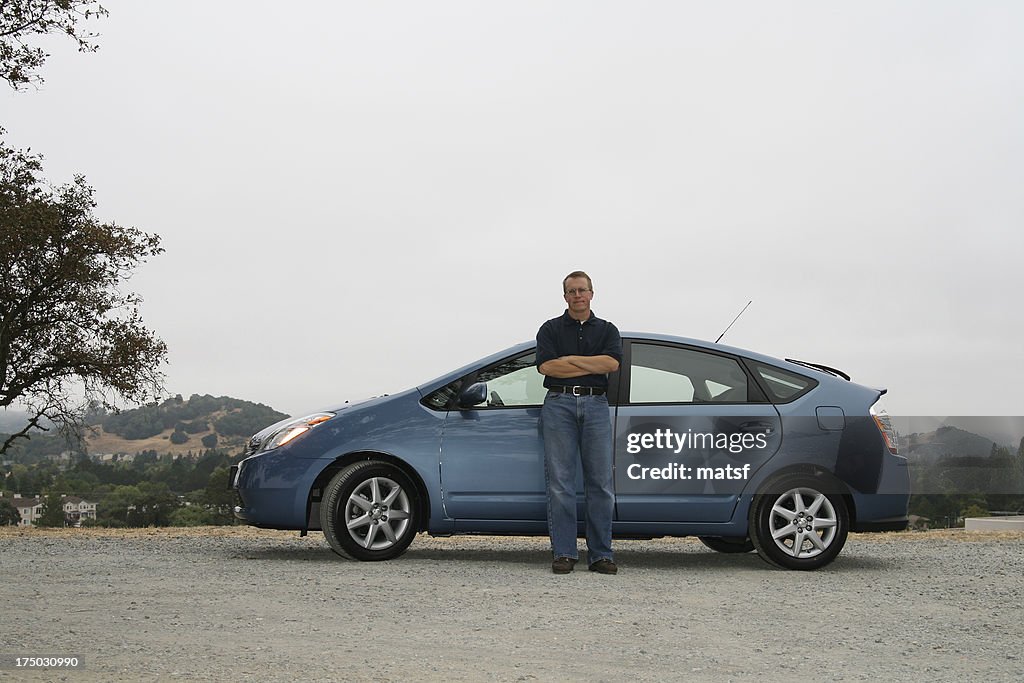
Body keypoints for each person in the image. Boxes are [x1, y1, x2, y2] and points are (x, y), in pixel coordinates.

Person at [535, 270, 622, 575]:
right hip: (558, 405)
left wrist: (569, 361)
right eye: (571, 291)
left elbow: (611, 364)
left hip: (596, 405)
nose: (577, 296)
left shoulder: (608, 330)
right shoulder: (549, 329)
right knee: (560, 483)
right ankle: (565, 553)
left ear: (591, 293)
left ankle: (601, 555)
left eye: (582, 290)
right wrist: (589, 363)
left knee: (600, 483)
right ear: (565, 296)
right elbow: (546, 366)